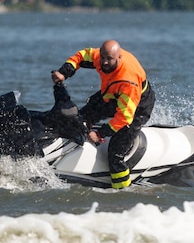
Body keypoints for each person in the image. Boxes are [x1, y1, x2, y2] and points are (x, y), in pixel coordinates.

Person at [51, 40, 155, 189]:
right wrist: (63, 72)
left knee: (115, 154)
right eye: (103, 57)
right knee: (82, 117)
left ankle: (123, 190)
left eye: (109, 59)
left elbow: (124, 118)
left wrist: (100, 133)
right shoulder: (101, 58)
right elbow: (82, 56)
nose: (104, 62)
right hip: (112, 95)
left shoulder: (128, 82)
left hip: (138, 106)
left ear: (119, 57)